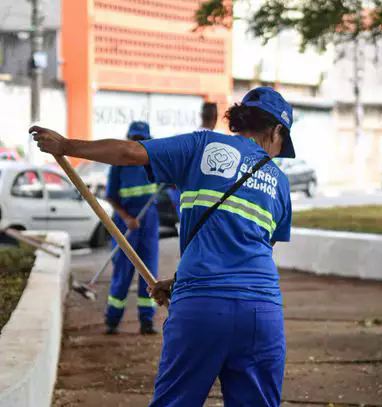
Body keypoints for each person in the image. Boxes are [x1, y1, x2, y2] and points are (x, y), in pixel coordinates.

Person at [30, 86, 294, 406]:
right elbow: (250, 250)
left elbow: (130, 153)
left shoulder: (203, 145)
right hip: (261, 312)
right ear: (277, 130)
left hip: (201, 307)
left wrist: (67, 145)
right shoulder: (279, 182)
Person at [104, 121, 159, 335]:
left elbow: (170, 181)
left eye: (142, 139)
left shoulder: (153, 161)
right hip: (126, 222)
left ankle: (147, 321)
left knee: (149, 272)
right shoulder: (119, 164)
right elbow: (110, 195)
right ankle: (112, 320)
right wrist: (126, 217)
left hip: (149, 220)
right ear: (128, 138)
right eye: (135, 139)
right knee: (123, 272)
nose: (138, 143)